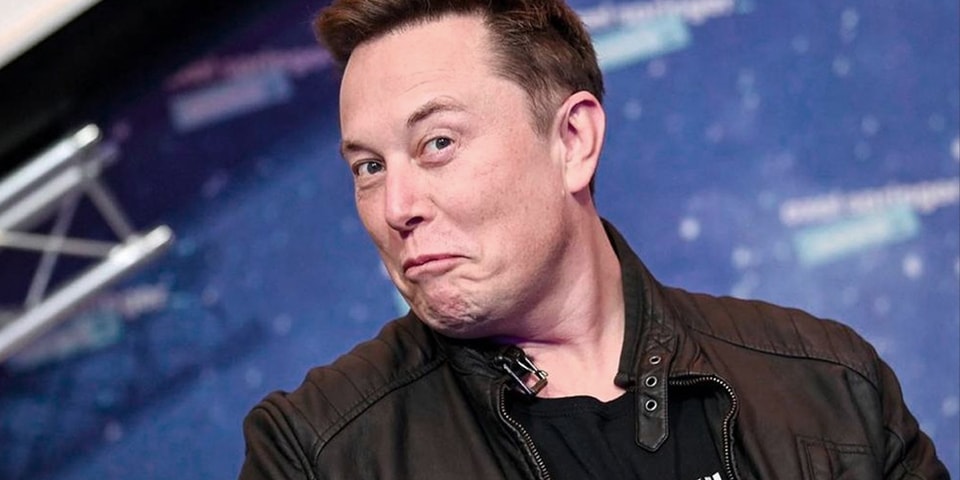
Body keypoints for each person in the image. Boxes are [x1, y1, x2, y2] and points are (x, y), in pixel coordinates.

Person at [239, 0, 948, 478]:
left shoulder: (831, 384)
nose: (396, 207)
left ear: (573, 140)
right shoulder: (317, 451)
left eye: (438, 143)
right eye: (368, 167)